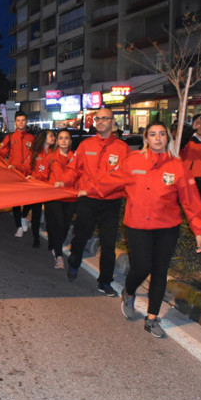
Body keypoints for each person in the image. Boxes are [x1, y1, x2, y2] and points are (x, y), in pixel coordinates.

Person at [96, 122, 201, 338]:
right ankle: (128, 292)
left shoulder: (178, 166)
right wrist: (83, 189)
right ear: (146, 138)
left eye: (162, 134)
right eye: (153, 134)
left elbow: (191, 200)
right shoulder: (133, 161)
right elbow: (109, 181)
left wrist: (199, 230)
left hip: (167, 227)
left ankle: (152, 318)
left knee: (160, 271)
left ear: (168, 138)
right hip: (138, 225)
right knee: (142, 267)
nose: (158, 138)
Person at [62, 107, 131, 296]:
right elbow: (73, 169)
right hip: (88, 200)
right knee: (80, 237)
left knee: (108, 243)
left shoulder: (122, 149)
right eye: (97, 118)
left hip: (111, 202)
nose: (100, 121)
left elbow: (124, 177)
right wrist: (64, 180)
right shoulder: (86, 145)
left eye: (104, 118)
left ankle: (105, 282)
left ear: (112, 121)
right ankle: (74, 263)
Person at [0, 112, 35, 237]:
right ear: (15, 122)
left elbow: (36, 155)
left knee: (31, 199)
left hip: (28, 173)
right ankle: (18, 226)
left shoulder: (32, 138)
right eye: (18, 120)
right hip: (14, 172)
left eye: (23, 120)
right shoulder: (10, 137)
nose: (21, 122)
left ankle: (23, 217)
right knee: (16, 201)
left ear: (26, 121)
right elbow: (0, 152)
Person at [44, 129, 77, 269]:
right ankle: (58, 255)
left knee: (64, 225)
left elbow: (78, 174)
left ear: (70, 141)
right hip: (54, 196)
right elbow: (43, 174)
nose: (63, 140)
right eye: (61, 138)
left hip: (70, 196)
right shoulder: (50, 157)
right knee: (59, 223)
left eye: (66, 138)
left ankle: (55, 244)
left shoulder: (76, 158)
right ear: (57, 141)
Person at [27, 129, 55, 248]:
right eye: (51, 136)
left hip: (49, 190)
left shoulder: (55, 153)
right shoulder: (35, 153)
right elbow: (27, 167)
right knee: (36, 215)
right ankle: (36, 238)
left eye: (54, 136)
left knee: (50, 215)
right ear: (44, 138)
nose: (53, 138)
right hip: (37, 189)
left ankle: (51, 241)